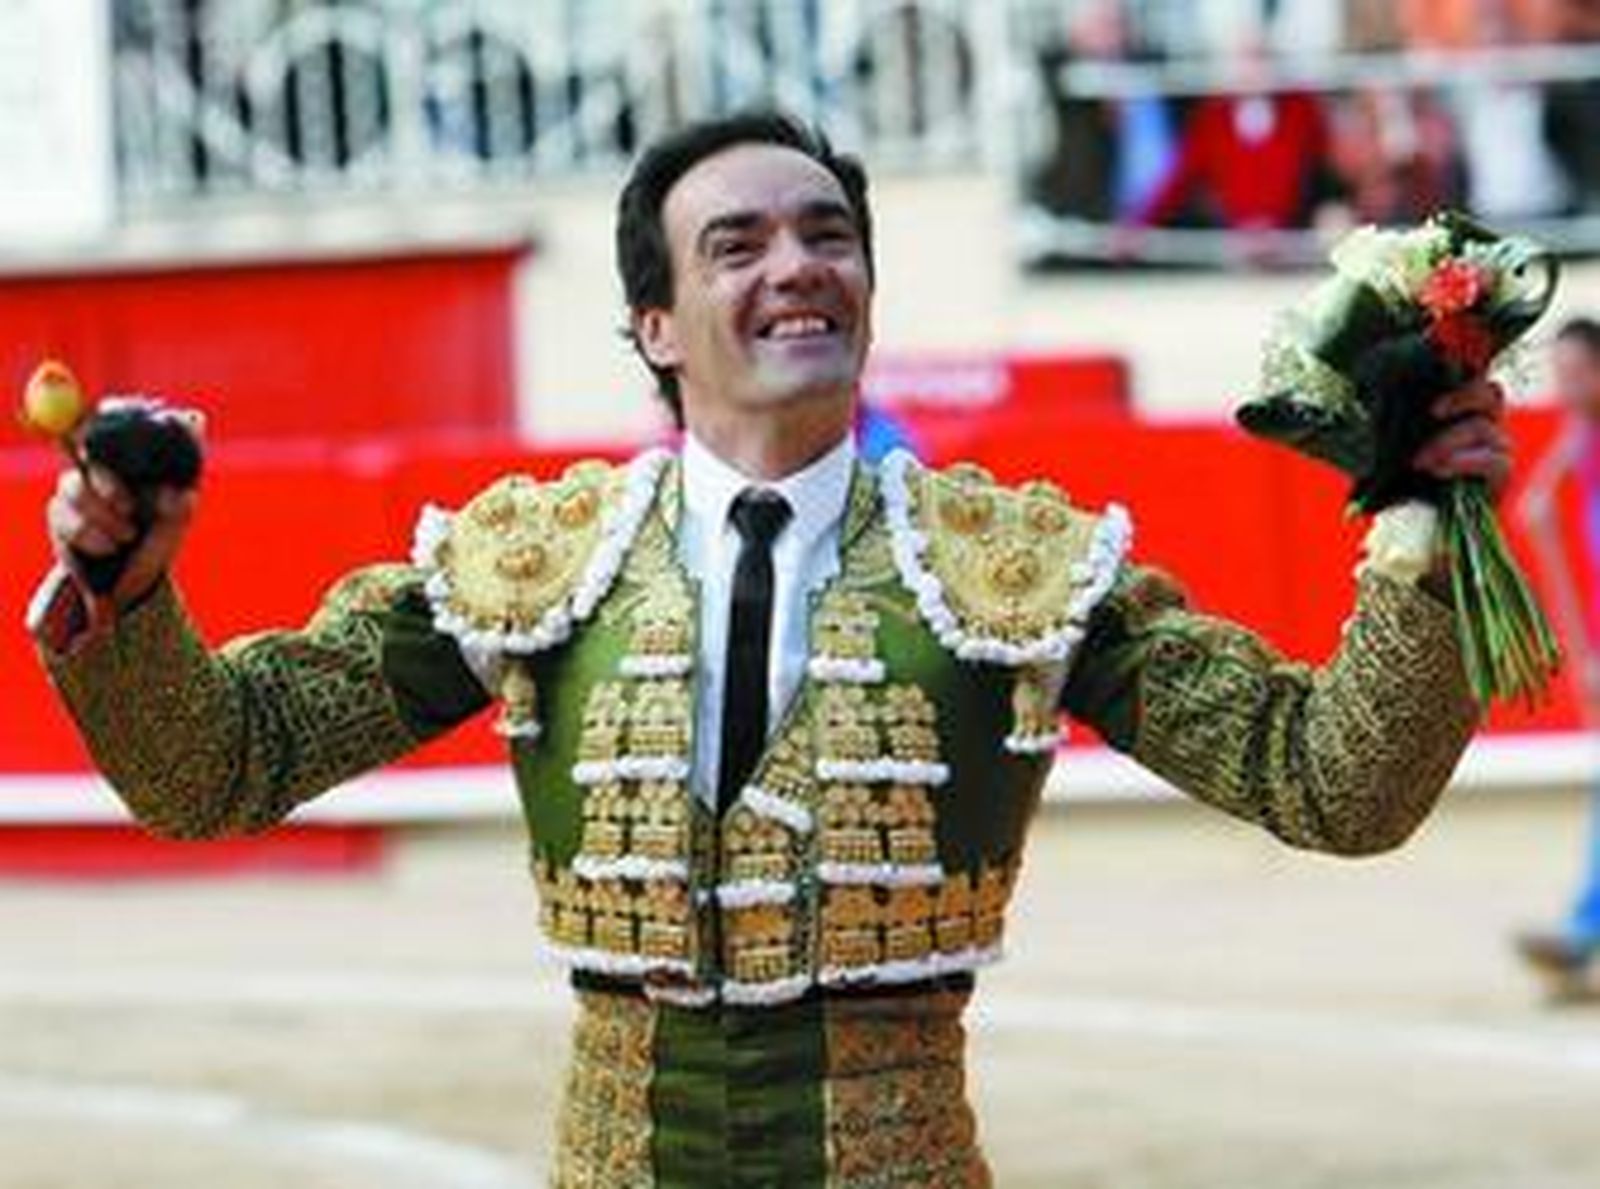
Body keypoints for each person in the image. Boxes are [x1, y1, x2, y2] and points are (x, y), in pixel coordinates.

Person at [33, 110, 1508, 1184]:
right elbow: (213, 770)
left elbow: (1333, 785)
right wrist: (130, 592)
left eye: (829, 235)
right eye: (737, 245)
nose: (797, 265)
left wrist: (1427, 535)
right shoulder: (526, 562)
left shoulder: (1016, 565)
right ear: (658, 324)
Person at [1514, 316, 1600, 1000]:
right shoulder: (1584, 435)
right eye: (1560, 373)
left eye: (1577, 372)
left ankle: (1580, 934)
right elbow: (1537, 507)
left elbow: (1540, 508)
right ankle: (1579, 935)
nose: (1565, 387)